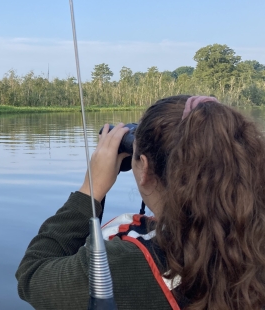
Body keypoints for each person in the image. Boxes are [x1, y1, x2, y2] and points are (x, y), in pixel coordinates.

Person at [16, 95, 265, 310]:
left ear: (144, 168)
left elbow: (32, 274)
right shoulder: (254, 237)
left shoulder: (124, 266)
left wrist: (90, 192)